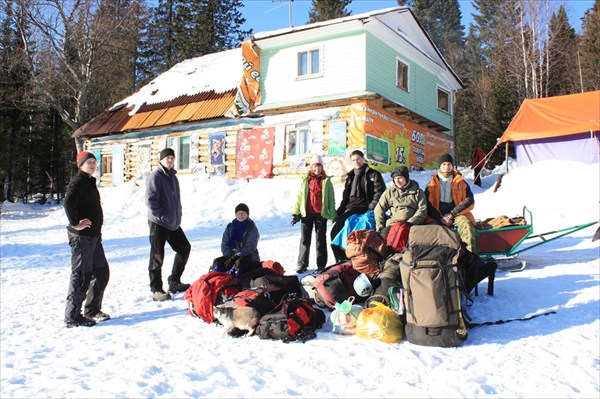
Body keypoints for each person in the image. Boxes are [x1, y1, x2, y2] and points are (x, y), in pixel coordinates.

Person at [63, 151, 110, 328]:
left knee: (101, 273)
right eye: (88, 162)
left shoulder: (89, 181)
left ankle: (92, 310)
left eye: (94, 162)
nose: (92, 165)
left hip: (94, 237)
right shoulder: (79, 180)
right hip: (82, 238)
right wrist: (76, 223)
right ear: (81, 165)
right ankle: (73, 316)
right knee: (81, 276)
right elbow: (68, 203)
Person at [145, 148, 191, 302]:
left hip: (172, 222)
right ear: (161, 159)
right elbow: (150, 200)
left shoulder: (173, 177)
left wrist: (177, 216)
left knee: (184, 248)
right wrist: (162, 215)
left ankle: (174, 281)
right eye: (167, 158)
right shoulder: (156, 176)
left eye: (172, 158)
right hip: (158, 222)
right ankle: (156, 289)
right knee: (157, 255)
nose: (170, 160)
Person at [330, 150, 385, 262]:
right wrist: (340, 211)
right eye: (354, 160)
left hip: (365, 207)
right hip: (351, 207)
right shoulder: (350, 176)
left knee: (351, 228)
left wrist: (371, 207)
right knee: (335, 231)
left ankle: (351, 257)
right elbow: (346, 197)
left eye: (358, 159)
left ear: (363, 159)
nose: (356, 161)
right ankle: (341, 259)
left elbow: (379, 192)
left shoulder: (373, 174)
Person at [291, 154, 337, 273]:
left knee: (320, 240)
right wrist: (296, 212)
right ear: (311, 167)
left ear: (322, 167)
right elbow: (299, 197)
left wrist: (333, 215)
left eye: (319, 166)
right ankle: (302, 264)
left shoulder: (326, 181)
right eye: (315, 166)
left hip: (320, 215)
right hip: (306, 214)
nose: (317, 169)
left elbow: (331, 199)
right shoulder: (305, 180)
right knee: (305, 239)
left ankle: (321, 265)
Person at [424, 153, 477, 252]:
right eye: (444, 164)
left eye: (449, 164)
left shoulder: (460, 182)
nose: (446, 167)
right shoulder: (432, 184)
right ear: (440, 166)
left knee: (467, 226)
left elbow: (469, 200)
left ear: (452, 166)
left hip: (456, 214)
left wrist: (452, 214)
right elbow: (427, 204)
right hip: (437, 216)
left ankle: (470, 257)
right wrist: (440, 217)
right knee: (432, 231)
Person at [374, 165, 427, 238]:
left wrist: (410, 223)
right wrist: (380, 227)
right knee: (384, 240)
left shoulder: (418, 192)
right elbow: (379, 209)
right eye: (395, 178)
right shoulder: (390, 192)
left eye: (400, 178)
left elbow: (422, 210)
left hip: (411, 226)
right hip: (393, 224)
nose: (397, 181)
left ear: (406, 178)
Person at [216, 203, 261, 276]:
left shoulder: (252, 228)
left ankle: (234, 282)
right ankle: (213, 282)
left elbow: (250, 247)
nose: (240, 215)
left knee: (239, 263)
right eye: (238, 213)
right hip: (231, 255)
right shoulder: (230, 228)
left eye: (243, 213)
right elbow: (224, 245)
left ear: (247, 214)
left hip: (249, 256)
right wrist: (229, 256)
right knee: (218, 261)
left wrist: (237, 256)